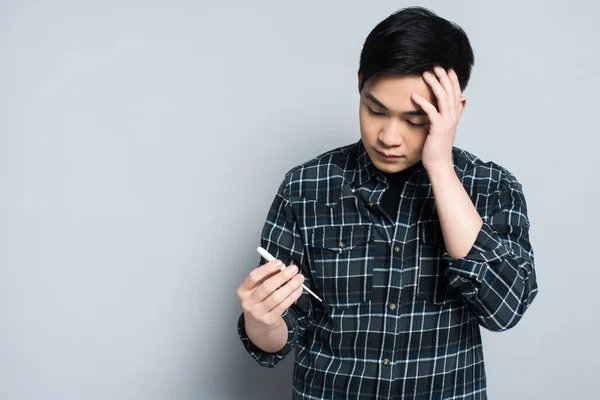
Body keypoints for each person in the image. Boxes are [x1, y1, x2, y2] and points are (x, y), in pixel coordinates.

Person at [236, 6, 538, 399]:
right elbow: (282, 333)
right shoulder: (306, 186)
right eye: (375, 110)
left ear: (453, 111)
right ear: (360, 86)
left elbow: (505, 309)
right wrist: (261, 321)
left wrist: (441, 169)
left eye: (415, 120)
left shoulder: (491, 187)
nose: (389, 137)